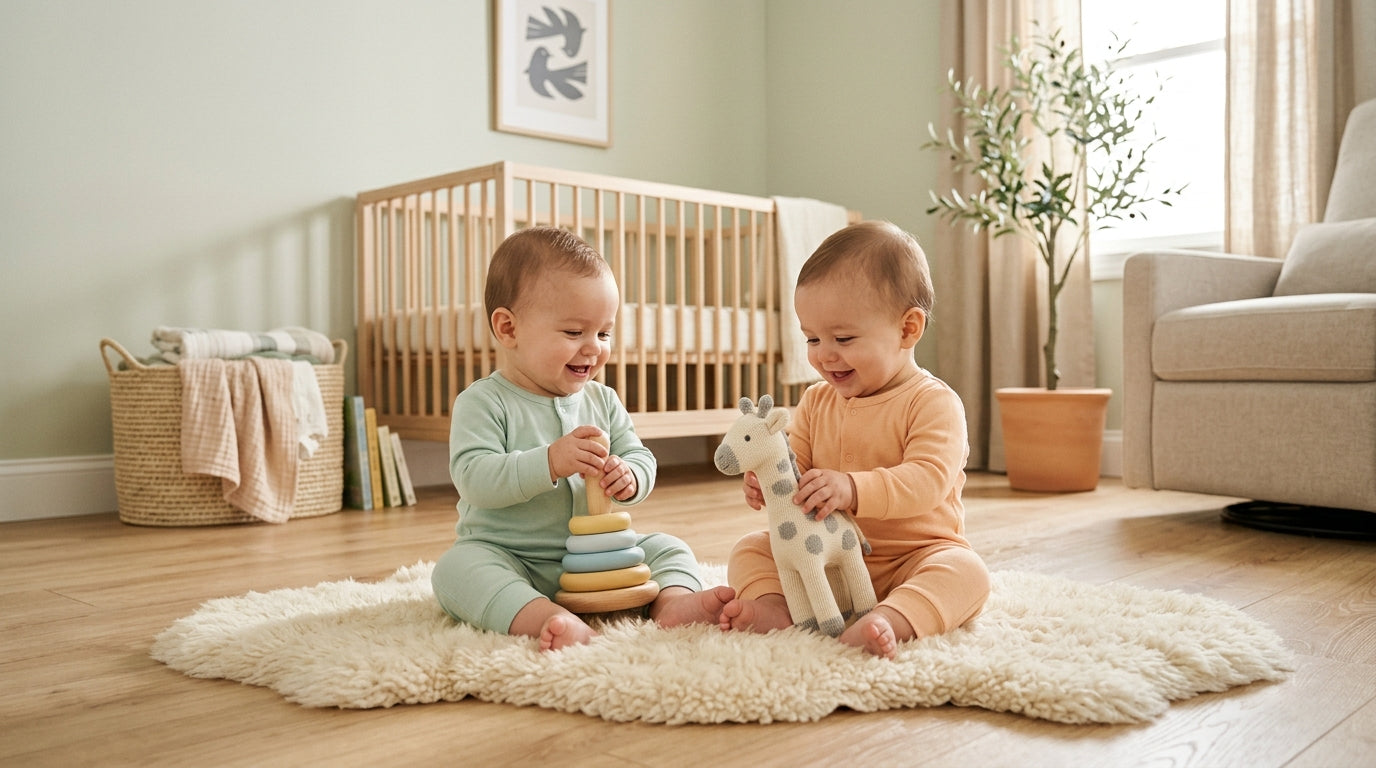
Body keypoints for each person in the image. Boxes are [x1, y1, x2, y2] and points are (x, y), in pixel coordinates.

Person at [431, 227, 733, 651]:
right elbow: (474, 478)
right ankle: (543, 616)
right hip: (515, 558)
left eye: (604, 333)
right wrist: (550, 462)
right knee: (455, 569)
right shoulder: (483, 402)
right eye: (574, 333)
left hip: (603, 560)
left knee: (669, 547)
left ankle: (674, 604)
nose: (593, 348)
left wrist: (630, 476)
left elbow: (638, 455)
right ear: (508, 328)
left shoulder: (603, 400)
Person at [718, 220, 991, 658]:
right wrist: (766, 485)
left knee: (967, 572)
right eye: (812, 338)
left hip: (912, 559)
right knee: (750, 548)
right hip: (826, 561)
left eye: (843, 338)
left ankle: (891, 618)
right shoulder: (814, 402)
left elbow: (927, 480)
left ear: (907, 329)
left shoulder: (933, 403)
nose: (824, 354)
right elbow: (795, 470)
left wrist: (851, 488)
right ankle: (775, 608)